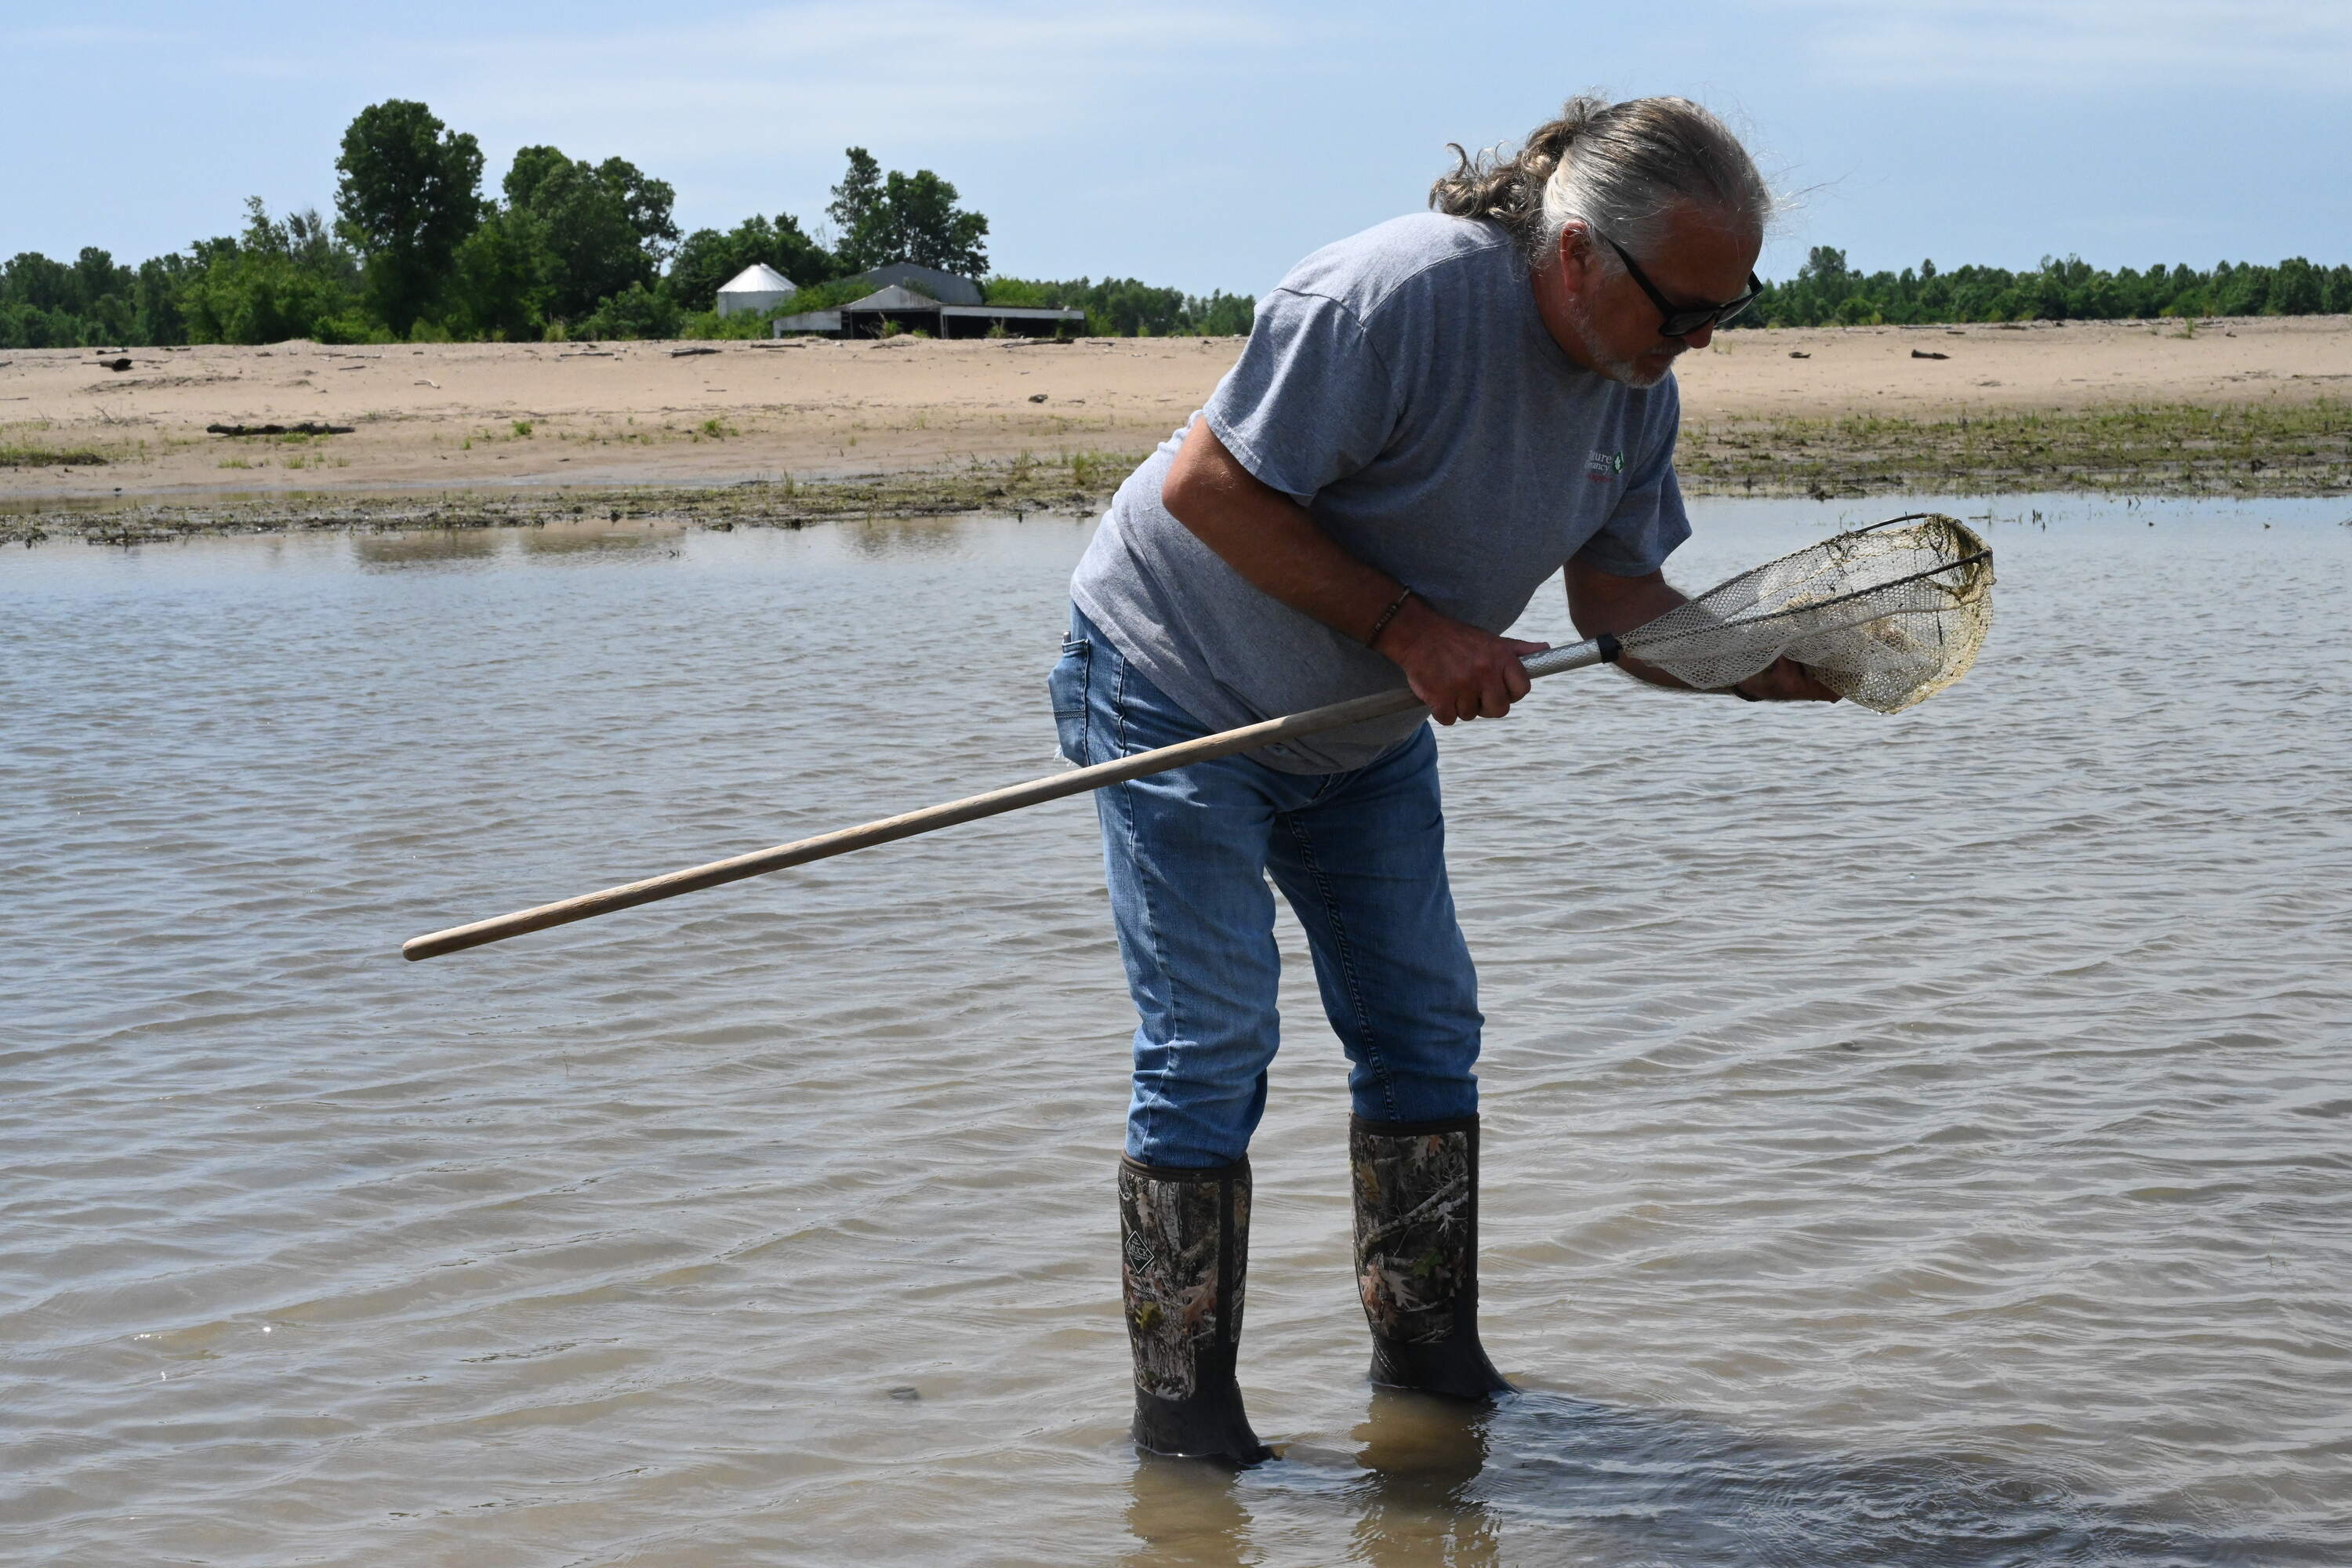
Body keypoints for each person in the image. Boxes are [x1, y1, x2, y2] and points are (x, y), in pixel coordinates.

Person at [1050, 95, 1835, 1465]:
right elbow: (1206, 489)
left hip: (1358, 729)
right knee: (1215, 1041)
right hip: (1177, 686)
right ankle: (1186, 1425)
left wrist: (1740, 662)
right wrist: (1416, 632)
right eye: (1683, 308)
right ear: (1580, 254)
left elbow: (1621, 602)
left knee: (1424, 1027)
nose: (1701, 340)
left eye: (1732, 312)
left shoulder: (1636, 389)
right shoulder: (1390, 299)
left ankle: (1429, 1372)